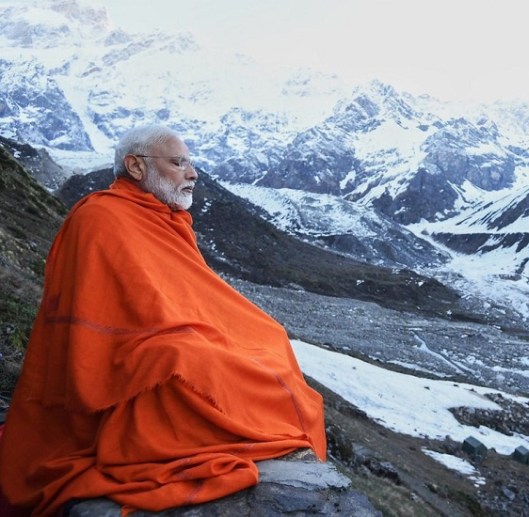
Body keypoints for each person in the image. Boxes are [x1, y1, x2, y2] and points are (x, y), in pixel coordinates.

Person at [0, 125, 326, 516]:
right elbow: (110, 307)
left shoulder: (165, 218)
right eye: (178, 163)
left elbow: (186, 292)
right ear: (136, 166)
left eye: (190, 164)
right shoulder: (99, 217)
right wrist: (181, 331)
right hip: (119, 353)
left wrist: (205, 326)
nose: (193, 174)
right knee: (187, 358)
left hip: (162, 330)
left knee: (268, 337)